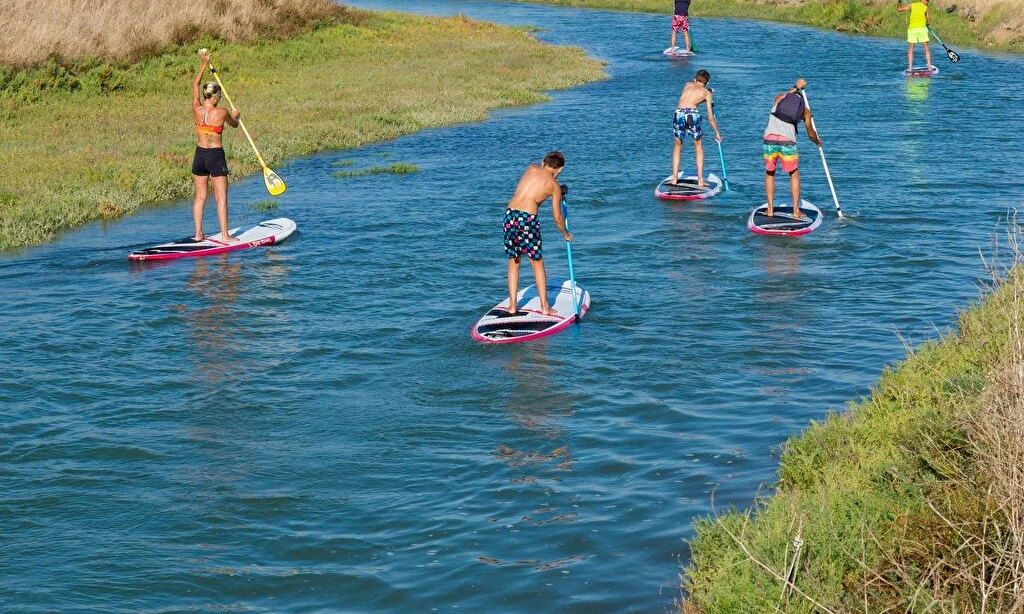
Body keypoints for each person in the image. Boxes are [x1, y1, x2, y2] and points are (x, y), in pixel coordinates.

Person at [504, 152, 572, 316]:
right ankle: (545, 307)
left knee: (514, 260)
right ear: (560, 169)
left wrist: (557, 189)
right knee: (537, 262)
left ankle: (512, 306)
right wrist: (566, 234)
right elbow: (557, 217)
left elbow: (535, 186)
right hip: (527, 219)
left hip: (510, 215)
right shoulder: (553, 186)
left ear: (543, 162)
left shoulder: (531, 168)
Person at [191, 49, 240, 243]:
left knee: (200, 197)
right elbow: (234, 125)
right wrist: (236, 115)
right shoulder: (221, 112)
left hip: (199, 155)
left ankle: (198, 234)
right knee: (221, 198)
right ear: (215, 96)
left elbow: (195, 83)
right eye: (218, 95)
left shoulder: (195, 108)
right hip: (215, 156)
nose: (219, 97)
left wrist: (204, 63)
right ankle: (225, 236)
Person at [762, 78, 821, 219]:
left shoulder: (779, 98)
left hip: (769, 139)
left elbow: (787, 94)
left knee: (770, 173)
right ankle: (796, 211)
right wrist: (818, 141)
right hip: (787, 141)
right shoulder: (805, 110)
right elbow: (811, 134)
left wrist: (797, 86)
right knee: (793, 174)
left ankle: (770, 210)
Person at [670, 69, 721, 188]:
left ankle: (674, 179)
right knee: (698, 145)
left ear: (695, 79)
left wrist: (707, 91)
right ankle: (700, 180)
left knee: (678, 145)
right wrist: (717, 132)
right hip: (692, 114)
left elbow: (694, 90)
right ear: (707, 83)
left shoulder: (687, 85)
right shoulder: (706, 93)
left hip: (678, 113)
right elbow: (710, 117)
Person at [897, 0, 933, 72]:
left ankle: (911, 68)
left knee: (912, 49)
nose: (928, 1)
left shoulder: (912, 5)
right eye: (926, 0)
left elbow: (899, 9)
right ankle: (929, 67)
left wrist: (899, 2)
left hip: (913, 29)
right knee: (925, 48)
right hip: (920, 29)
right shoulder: (925, 8)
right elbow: (929, 21)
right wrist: (927, 23)